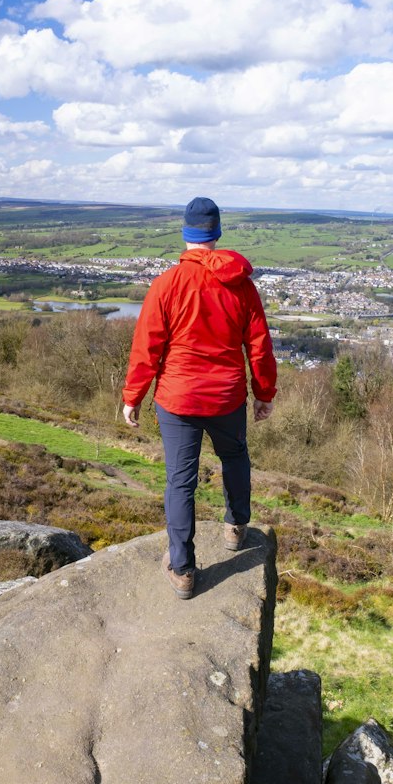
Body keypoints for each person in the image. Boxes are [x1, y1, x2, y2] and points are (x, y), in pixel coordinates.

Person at [122, 196, 277, 599]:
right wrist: (264, 393)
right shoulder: (241, 285)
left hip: (178, 400)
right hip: (226, 397)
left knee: (180, 481)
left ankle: (184, 568)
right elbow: (258, 346)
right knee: (235, 456)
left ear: (186, 233)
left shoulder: (167, 284)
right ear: (217, 232)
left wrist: (133, 396)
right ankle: (236, 526)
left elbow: (147, 348)